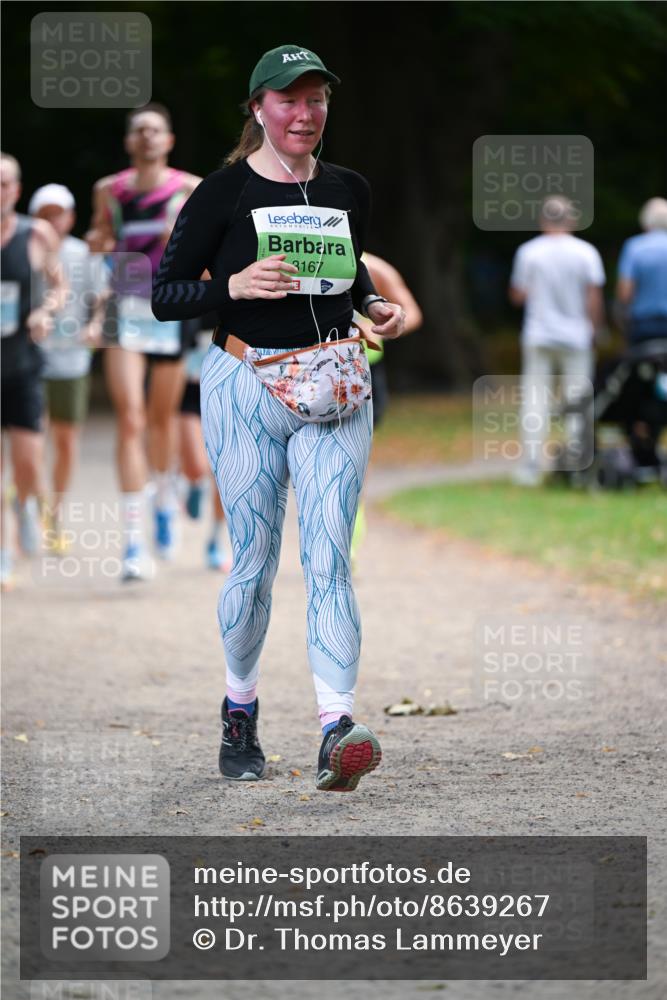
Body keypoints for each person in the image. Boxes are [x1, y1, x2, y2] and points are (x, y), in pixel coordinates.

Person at [152, 44, 406, 791]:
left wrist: (370, 304)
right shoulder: (222, 193)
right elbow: (164, 294)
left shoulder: (348, 187)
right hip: (243, 383)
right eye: (288, 100)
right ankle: (239, 711)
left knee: (329, 558)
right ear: (258, 108)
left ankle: (336, 729)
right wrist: (231, 283)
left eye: (316, 99)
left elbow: (348, 266)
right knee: (255, 563)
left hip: (334, 385)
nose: (304, 113)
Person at [86, 104, 201, 580]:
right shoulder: (108, 190)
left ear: (169, 140)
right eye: (140, 131)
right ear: (130, 142)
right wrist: (97, 242)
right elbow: (102, 239)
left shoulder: (190, 188)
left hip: (170, 309)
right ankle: (134, 544)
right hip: (122, 306)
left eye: (156, 131)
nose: (148, 137)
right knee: (129, 418)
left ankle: (165, 493)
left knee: (161, 420)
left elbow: (212, 249)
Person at [28, 183, 108, 553]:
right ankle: (37, 509)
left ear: (70, 217)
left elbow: (103, 297)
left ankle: (53, 513)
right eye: (44, 214)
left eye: (57, 213)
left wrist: (96, 324)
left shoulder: (82, 254)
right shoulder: (22, 250)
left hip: (72, 359)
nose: (51, 220)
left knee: (65, 441)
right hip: (29, 360)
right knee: (32, 441)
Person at [1, 153, 66, 589]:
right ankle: (4, 553)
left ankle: (27, 507)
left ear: (17, 189)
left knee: (26, 462)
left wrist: (45, 311)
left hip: (22, 362)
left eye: (4, 184)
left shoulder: (35, 233)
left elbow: (59, 286)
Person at [509, 195, 606, 485]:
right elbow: (594, 297)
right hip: (576, 335)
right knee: (578, 397)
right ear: (572, 220)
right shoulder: (586, 252)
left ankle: (531, 465)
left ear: (543, 220)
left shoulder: (529, 252)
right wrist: (596, 329)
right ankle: (577, 462)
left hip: (538, 333)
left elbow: (517, 295)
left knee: (535, 398)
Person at [350, 252, 422, 566]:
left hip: (365, 373)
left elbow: (413, 313)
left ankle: (350, 538)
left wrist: (380, 326)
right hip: (310, 371)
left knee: (355, 462)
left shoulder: (376, 268)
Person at [615, 197, 667, 471]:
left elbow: (625, 292)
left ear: (645, 223)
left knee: (638, 387)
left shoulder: (635, 248)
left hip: (645, 330)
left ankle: (640, 444)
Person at [179, 310, 232, 571]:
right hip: (190, 395)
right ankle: (192, 483)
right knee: (197, 465)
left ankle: (214, 540)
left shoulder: (237, 293)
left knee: (224, 475)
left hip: (225, 395)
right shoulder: (188, 294)